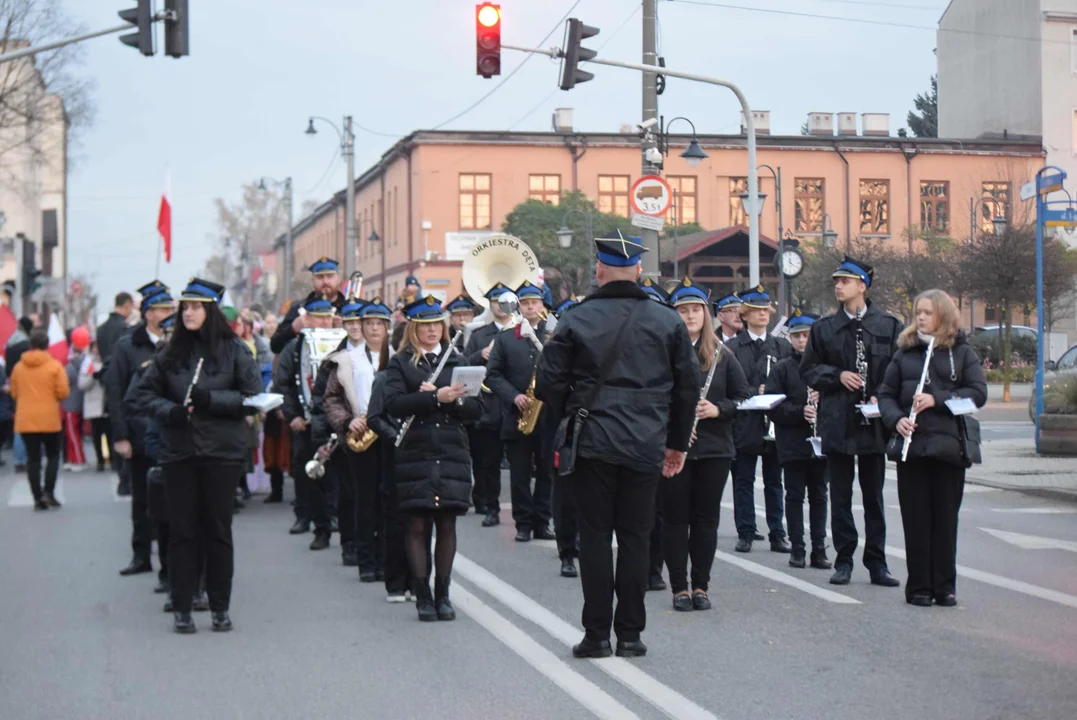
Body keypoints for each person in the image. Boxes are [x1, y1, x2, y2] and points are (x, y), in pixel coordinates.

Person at [535, 233, 699, 659]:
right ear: (640, 272)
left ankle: (596, 635)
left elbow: (548, 382)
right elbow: (687, 388)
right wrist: (676, 443)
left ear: (600, 271)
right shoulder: (668, 320)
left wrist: (575, 409)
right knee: (635, 539)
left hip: (592, 442)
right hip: (647, 443)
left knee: (594, 539)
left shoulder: (576, 318)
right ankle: (630, 635)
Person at [131, 278, 262, 634]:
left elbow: (253, 398)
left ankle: (220, 607)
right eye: (184, 307)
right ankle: (183, 607)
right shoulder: (169, 352)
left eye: (195, 307)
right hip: (180, 453)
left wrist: (213, 401)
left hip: (222, 453)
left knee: (218, 531)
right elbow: (140, 397)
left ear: (211, 311)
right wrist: (170, 411)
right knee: (182, 533)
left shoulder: (235, 350)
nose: (188, 313)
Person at [877, 289, 987, 607]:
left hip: (949, 450)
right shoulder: (904, 353)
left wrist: (936, 399)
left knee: (944, 520)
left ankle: (945, 586)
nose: (921, 317)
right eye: (918, 312)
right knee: (916, 521)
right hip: (913, 451)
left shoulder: (962, 352)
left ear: (943, 315)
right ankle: (919, 587)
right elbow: (885, 394)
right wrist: (895, 419)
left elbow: (977, 393)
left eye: (927, 312)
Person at [800, 255, 903, 588]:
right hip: (838, 418)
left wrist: (882, 395)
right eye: (836, 282)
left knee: (874, 495)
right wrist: (837, 375)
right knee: (840, 495)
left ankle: (877, 562)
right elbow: (809, 369)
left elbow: (898, 370)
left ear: (862, 285)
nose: (838, 287)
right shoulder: (824, 327)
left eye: (844, 281)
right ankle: (843, 560)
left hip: (873, 420)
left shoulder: (888, 324)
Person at [383, 295, 482, 622]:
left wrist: (451, 402)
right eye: (423, 326)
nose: (430, 332)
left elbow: (476, 410)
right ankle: (422, 595)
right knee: (416, 523)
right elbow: (393, 404)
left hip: (451, 449)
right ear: (413, 328)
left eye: (435, 325)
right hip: (416, 449)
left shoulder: (457, 360)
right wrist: (429, 399)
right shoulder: (401, 362)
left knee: (447, 523)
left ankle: (444, 594)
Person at [663, 278, 751, 612]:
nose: (689, 316)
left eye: (695, 310)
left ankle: (701, 585)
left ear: (706, 314)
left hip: (714, 449)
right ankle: (679, 588)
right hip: (674, 449)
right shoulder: (662, 353)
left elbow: (743, 398)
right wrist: (676, 427)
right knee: (674, 519)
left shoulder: (723, 357)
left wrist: (718, 409)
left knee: (705, 520)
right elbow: (651, 399)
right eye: (682, 310)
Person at [106, 281, 176, 582]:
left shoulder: (177, 343)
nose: (168, 314)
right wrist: (120, 436)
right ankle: (141, 555)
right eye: (162, 309)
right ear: (148, 313)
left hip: (169, 434)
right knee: (142, 500)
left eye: (170, 309)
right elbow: (116, 391)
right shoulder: (128, 345)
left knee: (169, 502)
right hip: (138, 433)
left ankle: (169, 566)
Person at [324, 298, 393, 580]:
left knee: (388, 499)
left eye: (380, 323)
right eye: (369, 323)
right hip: (360, 433)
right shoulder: (345, 359)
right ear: (360, 327)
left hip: (390, 434)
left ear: (388, 327)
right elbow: (331, 399)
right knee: (364, 499)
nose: (374, 328)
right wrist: (347, 420)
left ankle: (386, 558)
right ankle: (366, 561)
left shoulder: (399, 356)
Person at [486, 280, 556, 544]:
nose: (530, 307)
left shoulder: (553, 337)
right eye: (525, 303)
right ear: (519, 307)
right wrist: (513, 396)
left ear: (542, 306)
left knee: (547, 472)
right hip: (518, 415)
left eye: (534, 303)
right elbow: (493, 375)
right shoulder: (506, 338)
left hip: (548, 416)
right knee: (519, 475)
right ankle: (523, 523)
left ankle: (542, 521)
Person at [726, 285, 793, 554]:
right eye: (757, 311)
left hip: (774, 421)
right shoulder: (731, 348)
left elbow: (791, 381)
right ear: (745, 314)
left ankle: (778, 532)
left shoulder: (782, 346)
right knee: (743, 480)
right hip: (745, 423)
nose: (763, 315)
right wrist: (756, 391)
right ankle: (745, 532)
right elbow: (730, 386)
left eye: (766, 310)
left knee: (775, 481)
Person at [766, 310, 832, 570]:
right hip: (792, 442)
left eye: (807, 336)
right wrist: (799, 412)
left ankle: (819, 549)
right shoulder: (782, 368)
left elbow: (838, 404)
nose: (802, 341)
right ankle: (798, 548)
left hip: (821, 442)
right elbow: (772, 406)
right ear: (790, 339)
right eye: (797, 336)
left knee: (819, 495)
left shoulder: (826, 368)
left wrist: (822, 406)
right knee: (794, 495)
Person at [274, 296, 338, 548]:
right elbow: (284, 384)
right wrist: (293, 415)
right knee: (305, 471)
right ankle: (306, 518)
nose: (323, 323)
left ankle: (332, 517)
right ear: (306, 319)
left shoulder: (342, 344)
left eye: (326, 317)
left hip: (335, 421)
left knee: (335, 474)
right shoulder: (294, 347)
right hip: (306, 420)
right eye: (317, 318)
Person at [462, 282, 513, 525]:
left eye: (503, 301)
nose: (499, 306)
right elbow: (464, 365)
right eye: (495, 302)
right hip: (489, 404)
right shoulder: (480, 335)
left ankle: (528, 513)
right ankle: (490, 505)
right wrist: (479, 355)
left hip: (515, 403)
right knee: (488, 460)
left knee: (521, 464)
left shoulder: (521, 331)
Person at [10, 328, 70, 510]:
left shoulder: (19, 367)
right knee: (53, 455)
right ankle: (49, 492)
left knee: (33, 458)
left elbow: (14, 392)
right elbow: (63, 392)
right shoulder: (54, 366)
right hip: (49, 418)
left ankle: (37, 497)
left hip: (26, 418)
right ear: (47, 346)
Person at [550, 295, 581, 578]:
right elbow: (547, 387)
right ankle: (567, 552)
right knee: (566, 496)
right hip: (563, 431)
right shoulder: (555, 350)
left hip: (593, 430)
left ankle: (583, 544)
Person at [270, 257, 346, 355]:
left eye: (329, 276)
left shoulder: (349, 310)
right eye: (320, 277)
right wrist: (292, 329)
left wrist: (344, 330)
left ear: (338, 280)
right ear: (312, 281)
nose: (325, 282)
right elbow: (275, 346)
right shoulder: (299, 309)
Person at [62, 327, 91, 471]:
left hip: (70, 402)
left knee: (72, 433)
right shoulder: (87, 359)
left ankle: (78, 459)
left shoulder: (71, 363)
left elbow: (66, 380)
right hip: (80, 401)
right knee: (73, 432)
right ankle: (72, 459)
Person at [78, 343, 109, 472]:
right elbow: (82, 384)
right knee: (97, 434)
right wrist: (93, 376)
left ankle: (111, 458)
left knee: (110, 433)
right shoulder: (87, 364)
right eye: (94, 347)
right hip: (94, 405)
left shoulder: (108, 360)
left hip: (107, 405)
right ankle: (100, 460)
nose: (97, 350)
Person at [96, 292, 135, 363]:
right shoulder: (125, 328)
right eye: (131, 307)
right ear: (127, 305)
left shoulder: (100, 328)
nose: (131, 311)